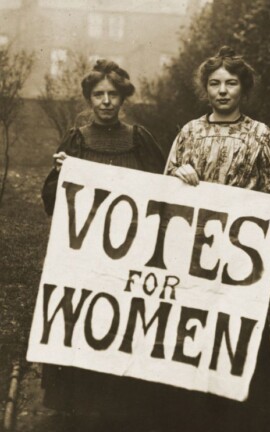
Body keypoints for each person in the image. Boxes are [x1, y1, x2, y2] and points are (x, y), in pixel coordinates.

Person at [163, 46, 270, 432]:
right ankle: (191, 416)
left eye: (231, 83)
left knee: (240, 331)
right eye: (214, 83)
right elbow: (164, 186)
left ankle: (247, 418)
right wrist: (179, 174)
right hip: (194, 253)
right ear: (204, 88)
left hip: (241, 256)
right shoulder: (190, 132)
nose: (222, 90)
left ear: (244, 87)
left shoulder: (260, 135)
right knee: (193, 330)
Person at [41, 59, 165, 432]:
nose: (107, 102)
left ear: (123, 97)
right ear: (88, 98)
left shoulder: (139, 137)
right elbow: (50, 199)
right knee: (86, 321)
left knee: (126, 324)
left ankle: (128, 406)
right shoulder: (75, 140)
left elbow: (164, 190)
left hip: (133, 251)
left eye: (113, 94)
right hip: (87, 253)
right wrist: (63, 174)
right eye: (99, 95)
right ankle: (83, 405)